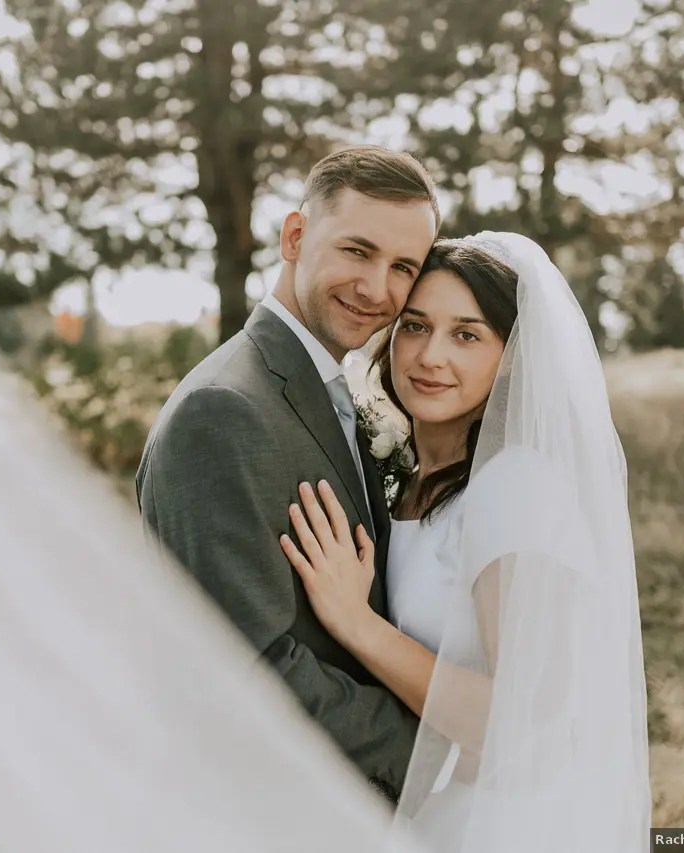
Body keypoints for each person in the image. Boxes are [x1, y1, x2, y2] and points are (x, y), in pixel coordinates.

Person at [280, 234, 652, 851]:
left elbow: (525, 725)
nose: (431, 356)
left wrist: (356, 623)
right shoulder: (411, 480)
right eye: (415, 326)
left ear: (511, 359)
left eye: (466, 335)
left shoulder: (514, 488)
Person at [135, 145, 440, 799]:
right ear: (295, 236)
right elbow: (246, 666)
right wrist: (436, 755)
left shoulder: (323, 388)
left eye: (402, 267)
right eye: (357, 251)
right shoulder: (222, 411)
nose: (376, 288)